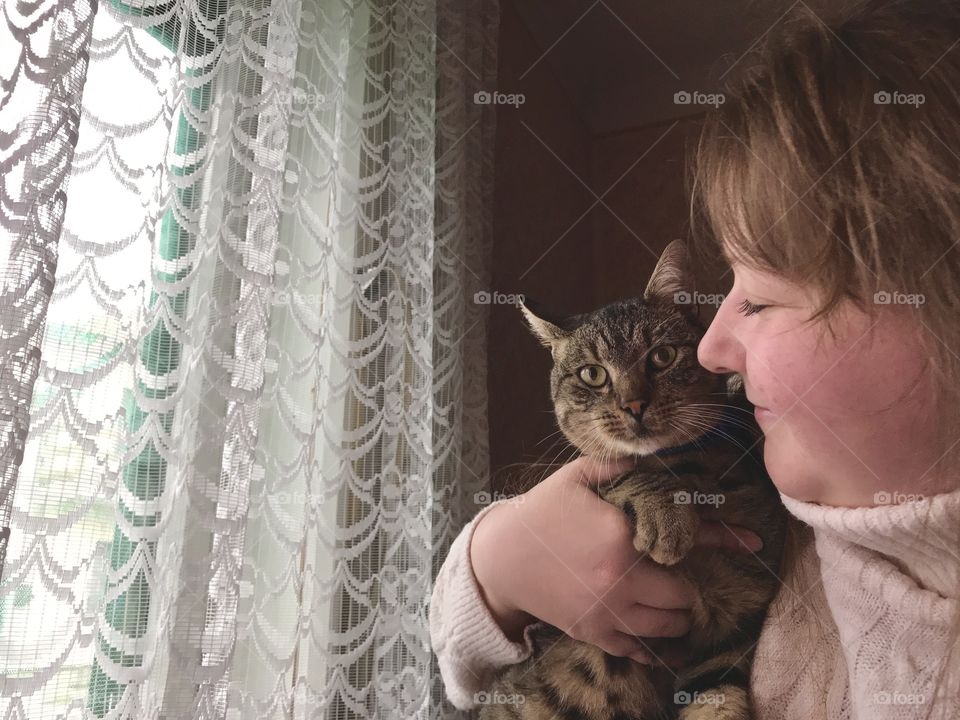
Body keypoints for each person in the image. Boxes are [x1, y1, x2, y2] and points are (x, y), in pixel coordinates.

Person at [429, 0, 960, 717]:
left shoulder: (782, 522)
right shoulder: (788, 489)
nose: (712, 349)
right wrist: (495, 562)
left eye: (762, 299)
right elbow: (463, 648)